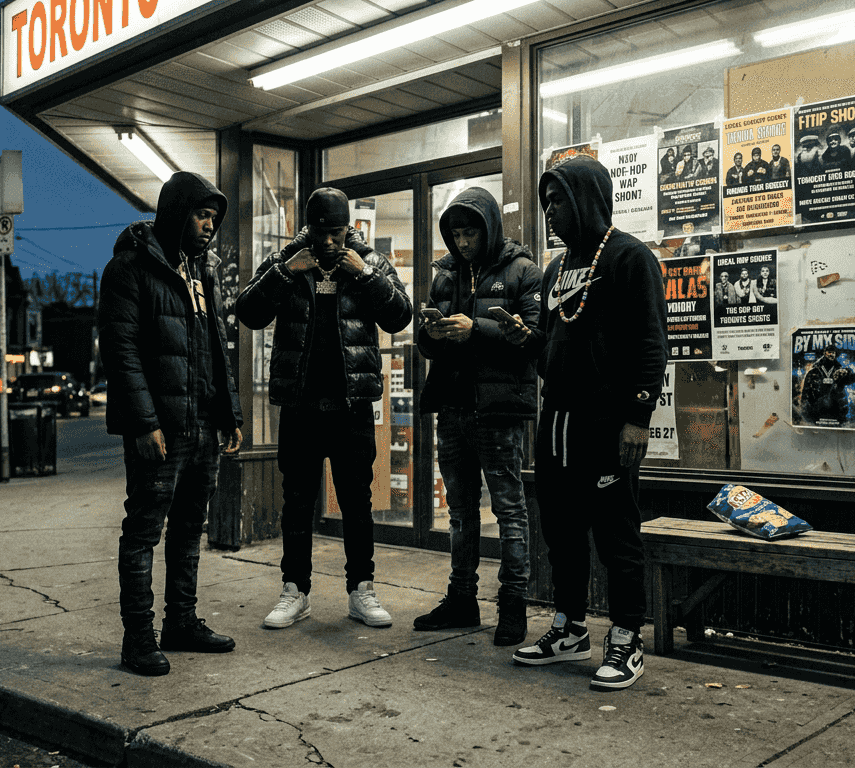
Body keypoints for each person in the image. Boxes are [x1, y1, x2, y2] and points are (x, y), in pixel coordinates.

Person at [506, 153, 668, 692]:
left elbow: (651, 342)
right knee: (562, 532)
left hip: (606, 422)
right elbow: (554, 347)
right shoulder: (556, 269)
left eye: (557, 200)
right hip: (556, 422)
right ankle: (569, 628)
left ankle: (626, 637)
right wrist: (528, 341)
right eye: (546, 202)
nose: (549, 211)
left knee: (616, 534)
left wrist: (638, 417)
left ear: (587, 200)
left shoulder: (630, 257)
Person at [236, 187, 413, 631]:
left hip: (353, 407)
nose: (330, 242)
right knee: (296, 501)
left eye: (336, 233)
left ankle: (361, 590)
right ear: (309, 229)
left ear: (347, 227)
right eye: (321, 233)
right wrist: (284, 271)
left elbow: (400, 316)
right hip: (300, 406)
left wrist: (365, 275)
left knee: (357, 502)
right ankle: (294, 591)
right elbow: (248, 312)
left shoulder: (368, 261)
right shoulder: (288, 260)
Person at [98, 171, 244, 677]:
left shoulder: (202, 271)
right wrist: (144, 424)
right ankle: (137, 639)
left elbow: (216, 348)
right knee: (143, 532)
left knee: (188, 530)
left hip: (202, 425)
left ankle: (180, 622)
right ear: (177, 213)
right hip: (161, 430)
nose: (209, 226)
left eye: (214, 219)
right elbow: (120, 353)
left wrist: (229, 414)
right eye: (202, 215)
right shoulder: (129, 268)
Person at [412, 187, 543, 647]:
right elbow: (426, 344)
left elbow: (534, 337)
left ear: (489, 228)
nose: (463, 242)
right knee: (461, 512)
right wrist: (431, 334)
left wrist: (476, 330)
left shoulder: (522, 271)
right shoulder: (445, 275)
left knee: (508, 510)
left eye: (470, 233)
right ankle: (462, 599)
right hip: (452, 407)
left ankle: (513, 604)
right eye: (456, 234)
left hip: (498, 411)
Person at [799, 343, 855, 425]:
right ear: (824, 353)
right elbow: (806, 391)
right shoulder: (814, 371)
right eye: (829, 352)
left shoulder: (840, 371)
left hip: (837, 410)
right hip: (816, 411)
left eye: (833, 352)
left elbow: (852, 379)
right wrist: (804, 409)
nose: (831, 354)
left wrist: (847, 371)